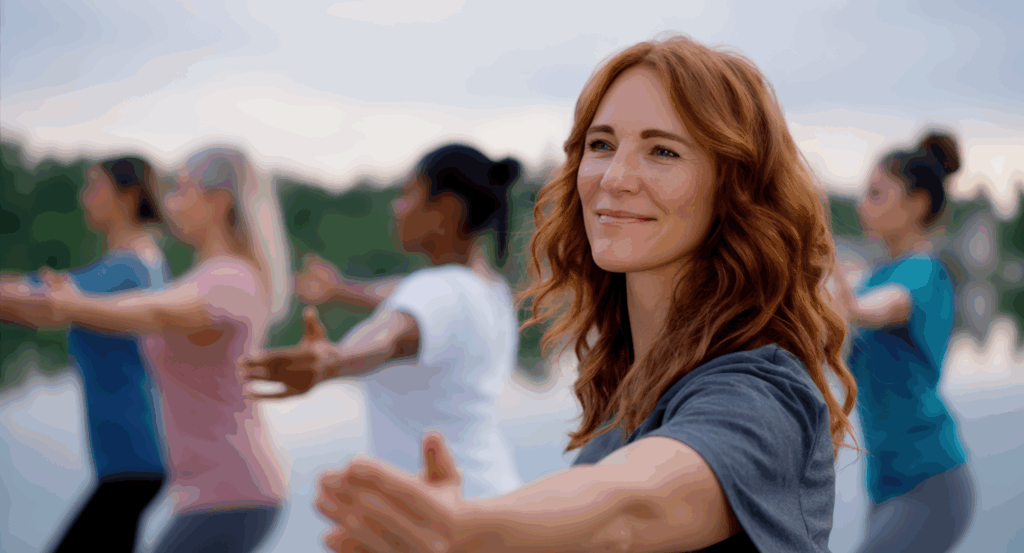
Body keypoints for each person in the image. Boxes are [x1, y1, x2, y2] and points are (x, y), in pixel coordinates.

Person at [298, 34, 859, 553]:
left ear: (735, 188)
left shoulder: (760, 395)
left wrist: (471, 527)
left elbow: (627, 509)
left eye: (662, 151)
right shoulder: (627, 407)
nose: (615, 176)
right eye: (602, 144)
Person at [5, 146, 294, 553]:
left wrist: (72, 304)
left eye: (180, 189)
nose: (169, 202)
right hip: (208, 496)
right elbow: (145, 307)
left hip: (234, 493)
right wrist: (72, 301)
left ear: (217, 201)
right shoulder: (202, 277)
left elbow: (156, 312)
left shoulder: (231, 279)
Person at [244, 143, 525, 501]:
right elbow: (397, 295)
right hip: (491, 497)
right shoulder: (488, 289)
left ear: (446, 211)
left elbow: (389, 338)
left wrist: (333, 361)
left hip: (448, 513)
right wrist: (340, 289)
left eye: (409, 194)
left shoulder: (435, 291)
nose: (396, 207)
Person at [1, 157, 170, 553]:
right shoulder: (133, 265)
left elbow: (40, 304)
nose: (84, 197)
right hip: (128, 463)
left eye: (95, 186)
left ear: (127, 198)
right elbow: (35, 303)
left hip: (135, 460)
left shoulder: (131, 269)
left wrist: (34, 295)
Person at [839, 130, 975, 553]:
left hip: (931, 483)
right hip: (885, 485)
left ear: (915, 205)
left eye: (877, 194)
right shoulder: (876, 274)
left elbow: (875, 308)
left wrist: (829, 269)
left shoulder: (924, 274)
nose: (862, 205)